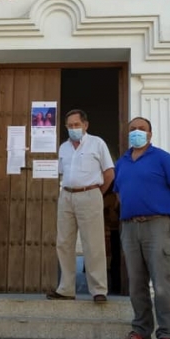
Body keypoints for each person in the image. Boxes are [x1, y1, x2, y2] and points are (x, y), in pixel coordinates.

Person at [113, 116, 170, 339]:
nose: (137, 132)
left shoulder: (163, 158)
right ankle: (140, 332)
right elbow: (118, 193)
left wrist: (169, 215)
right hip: (129, 226)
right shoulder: (122, 162)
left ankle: (167, 336)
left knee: (161, 283)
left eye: (141, 129)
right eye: (133, 129)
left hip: (157, 224)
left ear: (150, 134)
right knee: (136, 284)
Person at [47, 109, 114, 302]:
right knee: (64, 242)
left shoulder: (97, 143)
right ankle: (66, 288)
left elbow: (109, 173)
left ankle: (99, 290)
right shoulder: (64, 148)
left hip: (90, 193)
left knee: (93, 243)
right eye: (70, 126)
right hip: (67, 195)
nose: (73, 128)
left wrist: (96, 194)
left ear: (85, 125)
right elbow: (61, 173)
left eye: (76, 125)